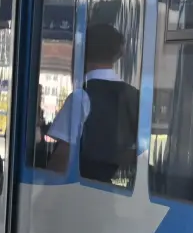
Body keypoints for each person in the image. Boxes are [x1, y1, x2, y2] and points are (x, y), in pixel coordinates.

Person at [46, 23, 139, 183]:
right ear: (117, 55)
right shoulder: (135, 96)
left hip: (80, 193)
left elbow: (62, 158)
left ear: (82, 53)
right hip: (115, 196)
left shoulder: (81, 97)